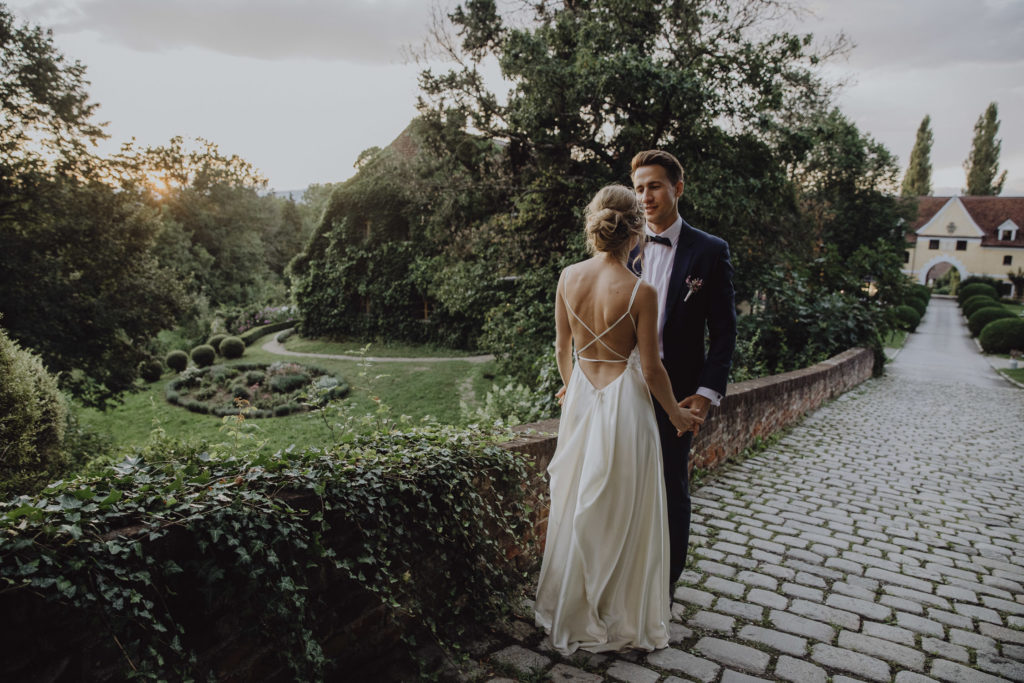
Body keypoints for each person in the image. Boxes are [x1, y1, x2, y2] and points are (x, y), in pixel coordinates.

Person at [534, 184, 704, 655]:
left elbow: (561, 350)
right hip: (626, 408)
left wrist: (574, 388)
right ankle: (617, 613)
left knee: (580, 505)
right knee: (625, 510)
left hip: (583, 403)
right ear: (636, 234)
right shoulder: (642, 291)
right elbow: (651, 369)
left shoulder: (568, 277)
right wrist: (676, 413)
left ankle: (578, 605)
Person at [629, 150, 737, 593]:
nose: (645, 197)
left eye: (654, 186)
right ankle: (626, 582)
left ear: (677, 187)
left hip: (677, 394)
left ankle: (663, 591)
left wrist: (707, 393)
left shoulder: (710, 251)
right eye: (638, 189)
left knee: (672, 489)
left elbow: (725, 330)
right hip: (623, 388)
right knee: (623, 486)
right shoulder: (623, 243)